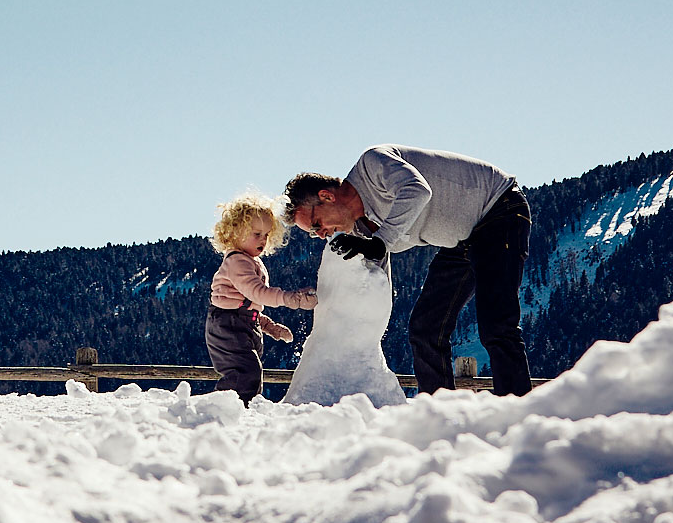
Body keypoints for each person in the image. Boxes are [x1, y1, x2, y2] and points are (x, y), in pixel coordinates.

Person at [285, 146, 533, 396]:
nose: (319, 234)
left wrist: (380, 242)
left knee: (497, 324)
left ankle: (517, 413)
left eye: (316, 224)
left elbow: (417, 190)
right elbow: (377, 276)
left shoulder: (373, 165)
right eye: (312, 232)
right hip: (463, 240)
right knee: (425, 328)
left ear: (327, 196)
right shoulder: (362, 231)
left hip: (500, 211)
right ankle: (440, 414)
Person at [204, 191, 314, 402]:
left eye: (266, 235)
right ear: (235, 232)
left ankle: (234, 407)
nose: (263, 239)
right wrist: (291, 299)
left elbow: (249, 304)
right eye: (257, 234)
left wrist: (268, 325)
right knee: (246, 373)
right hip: (228, 324)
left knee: (248, 372)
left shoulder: (251, 261)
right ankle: (227, 408)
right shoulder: (237, 261)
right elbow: (256, 293)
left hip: (241, 322)